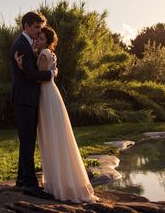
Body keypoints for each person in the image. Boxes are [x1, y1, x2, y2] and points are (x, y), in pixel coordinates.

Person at [32, 26, 97, 203]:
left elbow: (39, 77)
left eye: (41, 38)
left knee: (52, 136)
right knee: (55, 136)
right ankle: (59, 182)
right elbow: (48, 73)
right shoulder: (48, 53)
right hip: (49, 94)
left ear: (48, 42)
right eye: (37, 38)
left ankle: (59, 185)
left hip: (46, 95)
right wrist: (52, 72)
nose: (37, 41)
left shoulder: (44, 52)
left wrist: (25, 67)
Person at [9, 11, 57, 199]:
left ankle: (22, 179)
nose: (39, 31)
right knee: (28, 141)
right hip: (24, 99)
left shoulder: (27, 44)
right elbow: (29, 74)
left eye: (40, 27)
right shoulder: (21, 44)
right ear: (26, 26)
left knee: (27, 140)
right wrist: (50, 75)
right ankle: (30, 185)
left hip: (27, 98)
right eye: (36, 27)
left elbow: (28, 70)